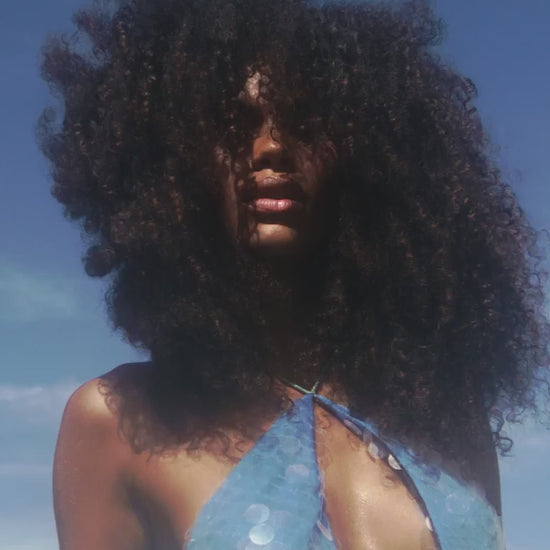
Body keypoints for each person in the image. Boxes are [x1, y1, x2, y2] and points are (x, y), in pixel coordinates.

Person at [40, 0, 549, 548]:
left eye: (306, 122)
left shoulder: (449, 411)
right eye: (233, 125)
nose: (273, 147)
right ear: (175, 165)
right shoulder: (118, 421)